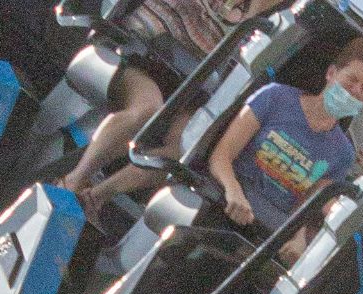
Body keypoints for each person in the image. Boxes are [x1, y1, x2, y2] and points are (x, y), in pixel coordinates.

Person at [61, 0, 288, 205]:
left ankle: (94, 197)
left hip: (183, 85)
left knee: (184, 148)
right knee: (147, 109)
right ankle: (72, 182)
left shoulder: (255, 26)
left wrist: (256, 10)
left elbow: (234, 65)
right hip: (139, 50)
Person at [203, 35, 363, 232]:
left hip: (267, 230)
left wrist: (297, 237)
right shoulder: (275, 97)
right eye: (351, 80)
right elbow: (220, 156)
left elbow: (308, 208)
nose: (355, 91)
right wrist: (233, 190)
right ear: (332, 73)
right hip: (223, 200)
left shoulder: (343, 153)